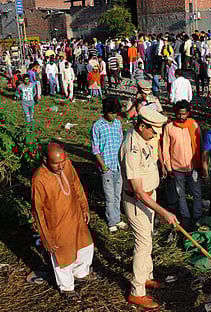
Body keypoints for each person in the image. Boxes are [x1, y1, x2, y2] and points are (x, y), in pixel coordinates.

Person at [120, 108, 178, 309]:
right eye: (154, 131)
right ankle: (137, 291)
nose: (157, 135)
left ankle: (146, 276)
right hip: (138, 202)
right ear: (142, 126)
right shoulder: (132, 148)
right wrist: (165, 212)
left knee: (148, 239)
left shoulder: (142, 138)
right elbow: (138, 191)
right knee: (142, 244)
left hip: (148, 196)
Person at [32, 143, 95, 302]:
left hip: (76, 216)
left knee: (85, 245)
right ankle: (67, 288)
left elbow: (76, 185)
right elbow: (37, 210)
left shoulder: (67, 164)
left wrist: (84, 207)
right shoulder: (39, 179)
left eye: (62, 161)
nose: (60, 166)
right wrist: (45, 237)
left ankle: (81, 273)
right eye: (55, 163)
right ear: (45, 160)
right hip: (57, 224)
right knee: (63, 257)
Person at [163, 101, 203, 229]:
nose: (181, 117)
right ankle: (185, 216)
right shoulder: (169, 127)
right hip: (177, 166)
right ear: (175, 113)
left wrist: (202, 164)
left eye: (184, 114)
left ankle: (198, 215)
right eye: (179, 114)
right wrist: (168, 167)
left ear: (188, 114)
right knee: (181, 193)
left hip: (193, 166)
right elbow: (165, 148)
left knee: (197, 192)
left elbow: (200, 145)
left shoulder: (194, 126)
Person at [90, 97, 127, 233]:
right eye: (111, 113)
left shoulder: (117, 124)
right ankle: (111, 220)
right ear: (105, 112)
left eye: (115, 113)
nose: (113, 116)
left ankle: (117, 218)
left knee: (118, 194)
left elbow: (121, 142)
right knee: (109, 196)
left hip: (118, 165)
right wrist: (103, 166)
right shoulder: (97, 126)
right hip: (107, 166)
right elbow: (95, 149)